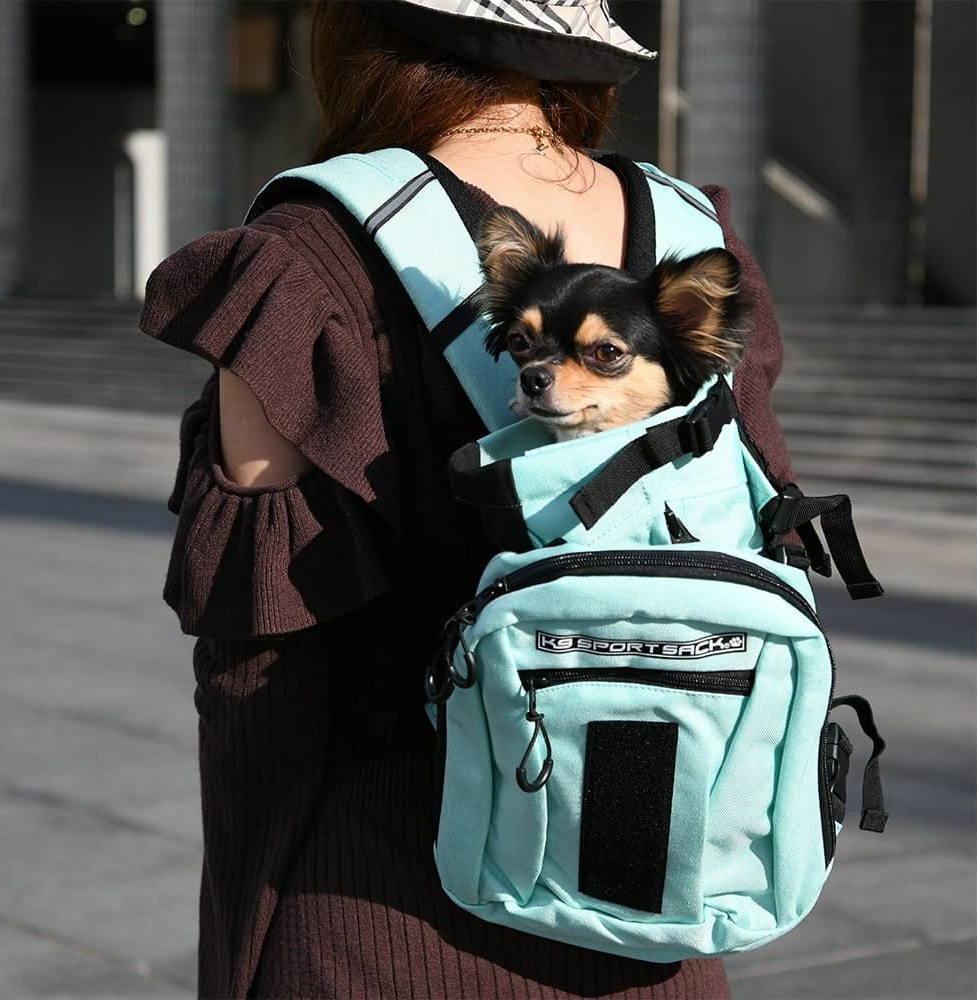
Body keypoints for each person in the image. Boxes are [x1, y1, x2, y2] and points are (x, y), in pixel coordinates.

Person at [138, 1, 795, 996]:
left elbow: (261, 656)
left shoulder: (304, 250)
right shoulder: (694, 234)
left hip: (382, 895)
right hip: (657, 891)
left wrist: (244, 931)